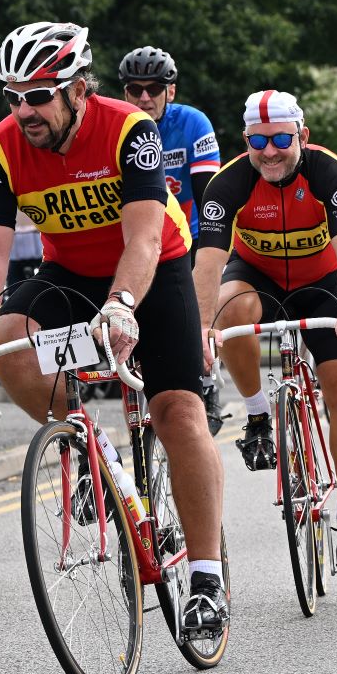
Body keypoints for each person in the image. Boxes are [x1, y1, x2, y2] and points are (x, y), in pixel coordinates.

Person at [0, 22, 227, 637]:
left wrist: (122, 303)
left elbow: (142, 237)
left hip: (154, 270)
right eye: (14, 96)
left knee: (178, 411)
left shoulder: (131, 131)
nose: (24, 109)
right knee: (7, 345)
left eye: (39, 94)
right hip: (69, 270)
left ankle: (208, 577)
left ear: (79, 90)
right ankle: (92, 449)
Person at [193, 89, 337, 574]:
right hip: (259, 276)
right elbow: (209, 261)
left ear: (303, 135)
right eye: (258, 140)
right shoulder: (226, 183)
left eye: (280, 138)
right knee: (231, 311)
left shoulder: (331, 174)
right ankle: (257, 418)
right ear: (245, 140)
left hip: (323, 283)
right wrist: (201, 328)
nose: (269, 151)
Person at [117, 45, 228, 434]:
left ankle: (206, 378)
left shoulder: (193, 123)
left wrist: (210, 254)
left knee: (190, 311)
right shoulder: (119, 127)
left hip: (187, 234)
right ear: (125, 92)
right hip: (137, 235)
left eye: (153, 88)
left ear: (171, 91)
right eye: (134, 90)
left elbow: (207, 195)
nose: (144, 97)